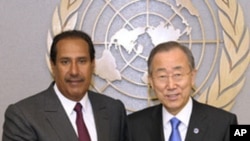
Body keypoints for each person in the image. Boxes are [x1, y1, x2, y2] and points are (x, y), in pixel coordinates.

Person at [2, 30, 128, 141]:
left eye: (82, 61)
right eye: (65, 62)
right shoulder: (24, 116)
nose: (74, 71)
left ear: (92, 64)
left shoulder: (114, 110)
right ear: (53, 65)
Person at [128, 41, 237, 141]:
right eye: (162, 76)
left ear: (192, 76)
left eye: (178, 75)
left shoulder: (225, 123)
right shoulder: (132, 126)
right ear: (151, 81)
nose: (171, 85)